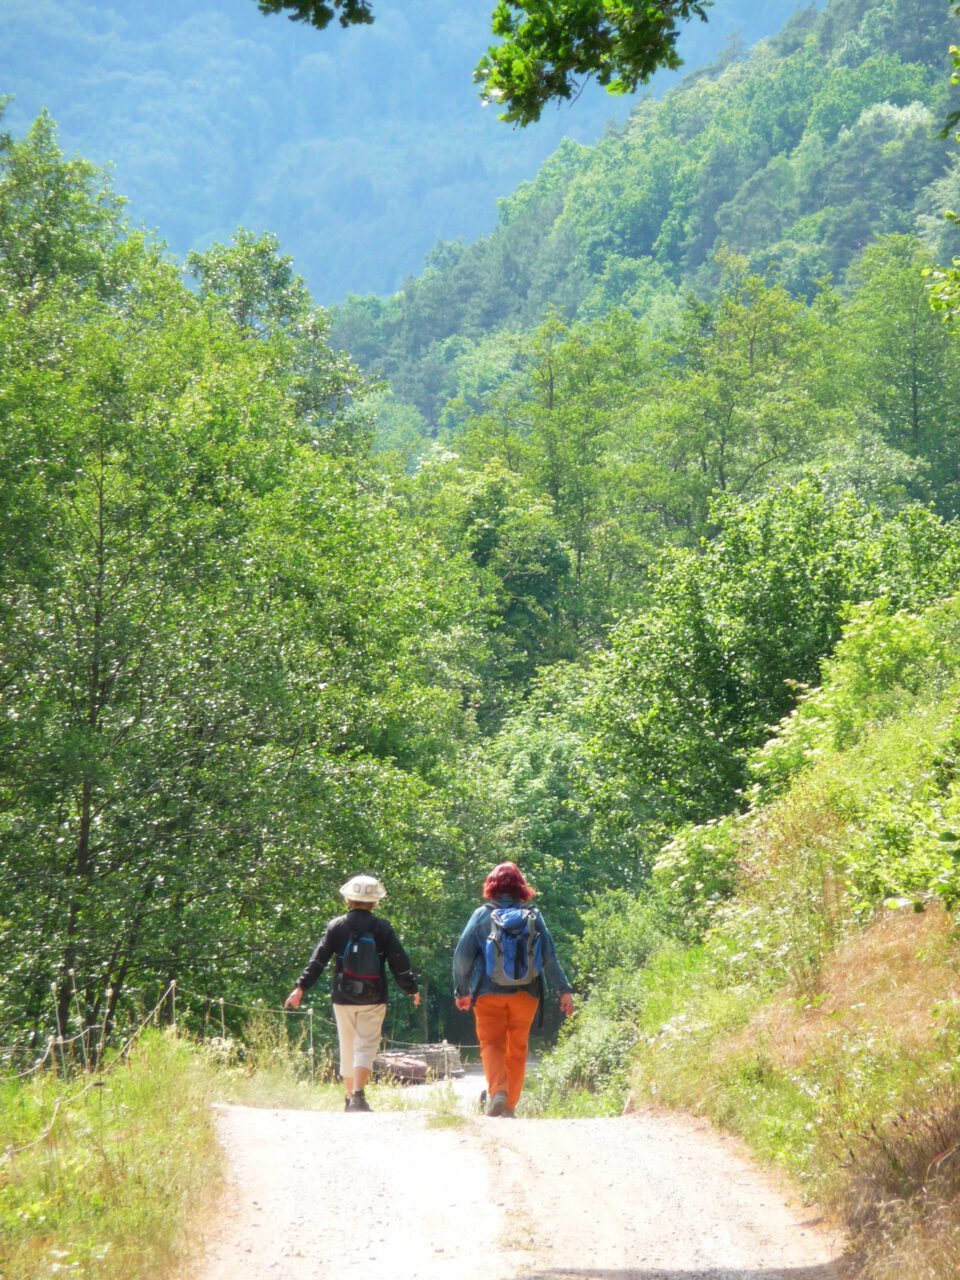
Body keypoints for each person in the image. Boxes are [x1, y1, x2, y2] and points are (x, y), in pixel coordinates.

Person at [284, 873, 420, 1112]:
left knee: (347, 1046)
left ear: (348, 899)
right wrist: (411, 989)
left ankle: (350, 1098)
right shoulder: (382, 927)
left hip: (343, 996)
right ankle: (358, 1094)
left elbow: (319, 959)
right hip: (374, 996)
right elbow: (399, 961)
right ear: (375, 902)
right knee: (366, 1045)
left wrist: (300, 987)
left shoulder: (337, 926)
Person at [453, 861, 574, 1118]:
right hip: (525, 994)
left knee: (491, 1044)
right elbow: (549, 958)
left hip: (487, 993)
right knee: (517, 1047)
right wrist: (564, 990)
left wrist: (461, 990)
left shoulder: (482, 915)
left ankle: (498, 1092)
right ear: (521, 886)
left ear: (491, 886)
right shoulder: (533, 915)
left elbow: (462, 956)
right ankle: (509, 1106)